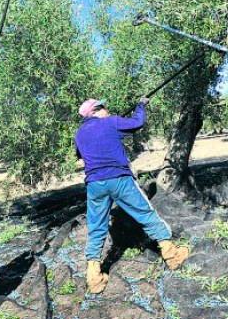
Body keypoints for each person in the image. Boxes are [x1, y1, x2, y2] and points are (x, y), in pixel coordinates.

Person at [75, 98, 189, 293]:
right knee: (145, 213)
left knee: (96, 227)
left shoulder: (79, 134)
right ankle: (171, 255)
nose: (107, 110)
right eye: (104, 107)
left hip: (94, 185)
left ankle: (94, 276)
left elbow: (80, 158)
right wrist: (141, 105)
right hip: (119, 179)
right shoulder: (110, 122)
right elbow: (138, 123)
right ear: (96, 110)